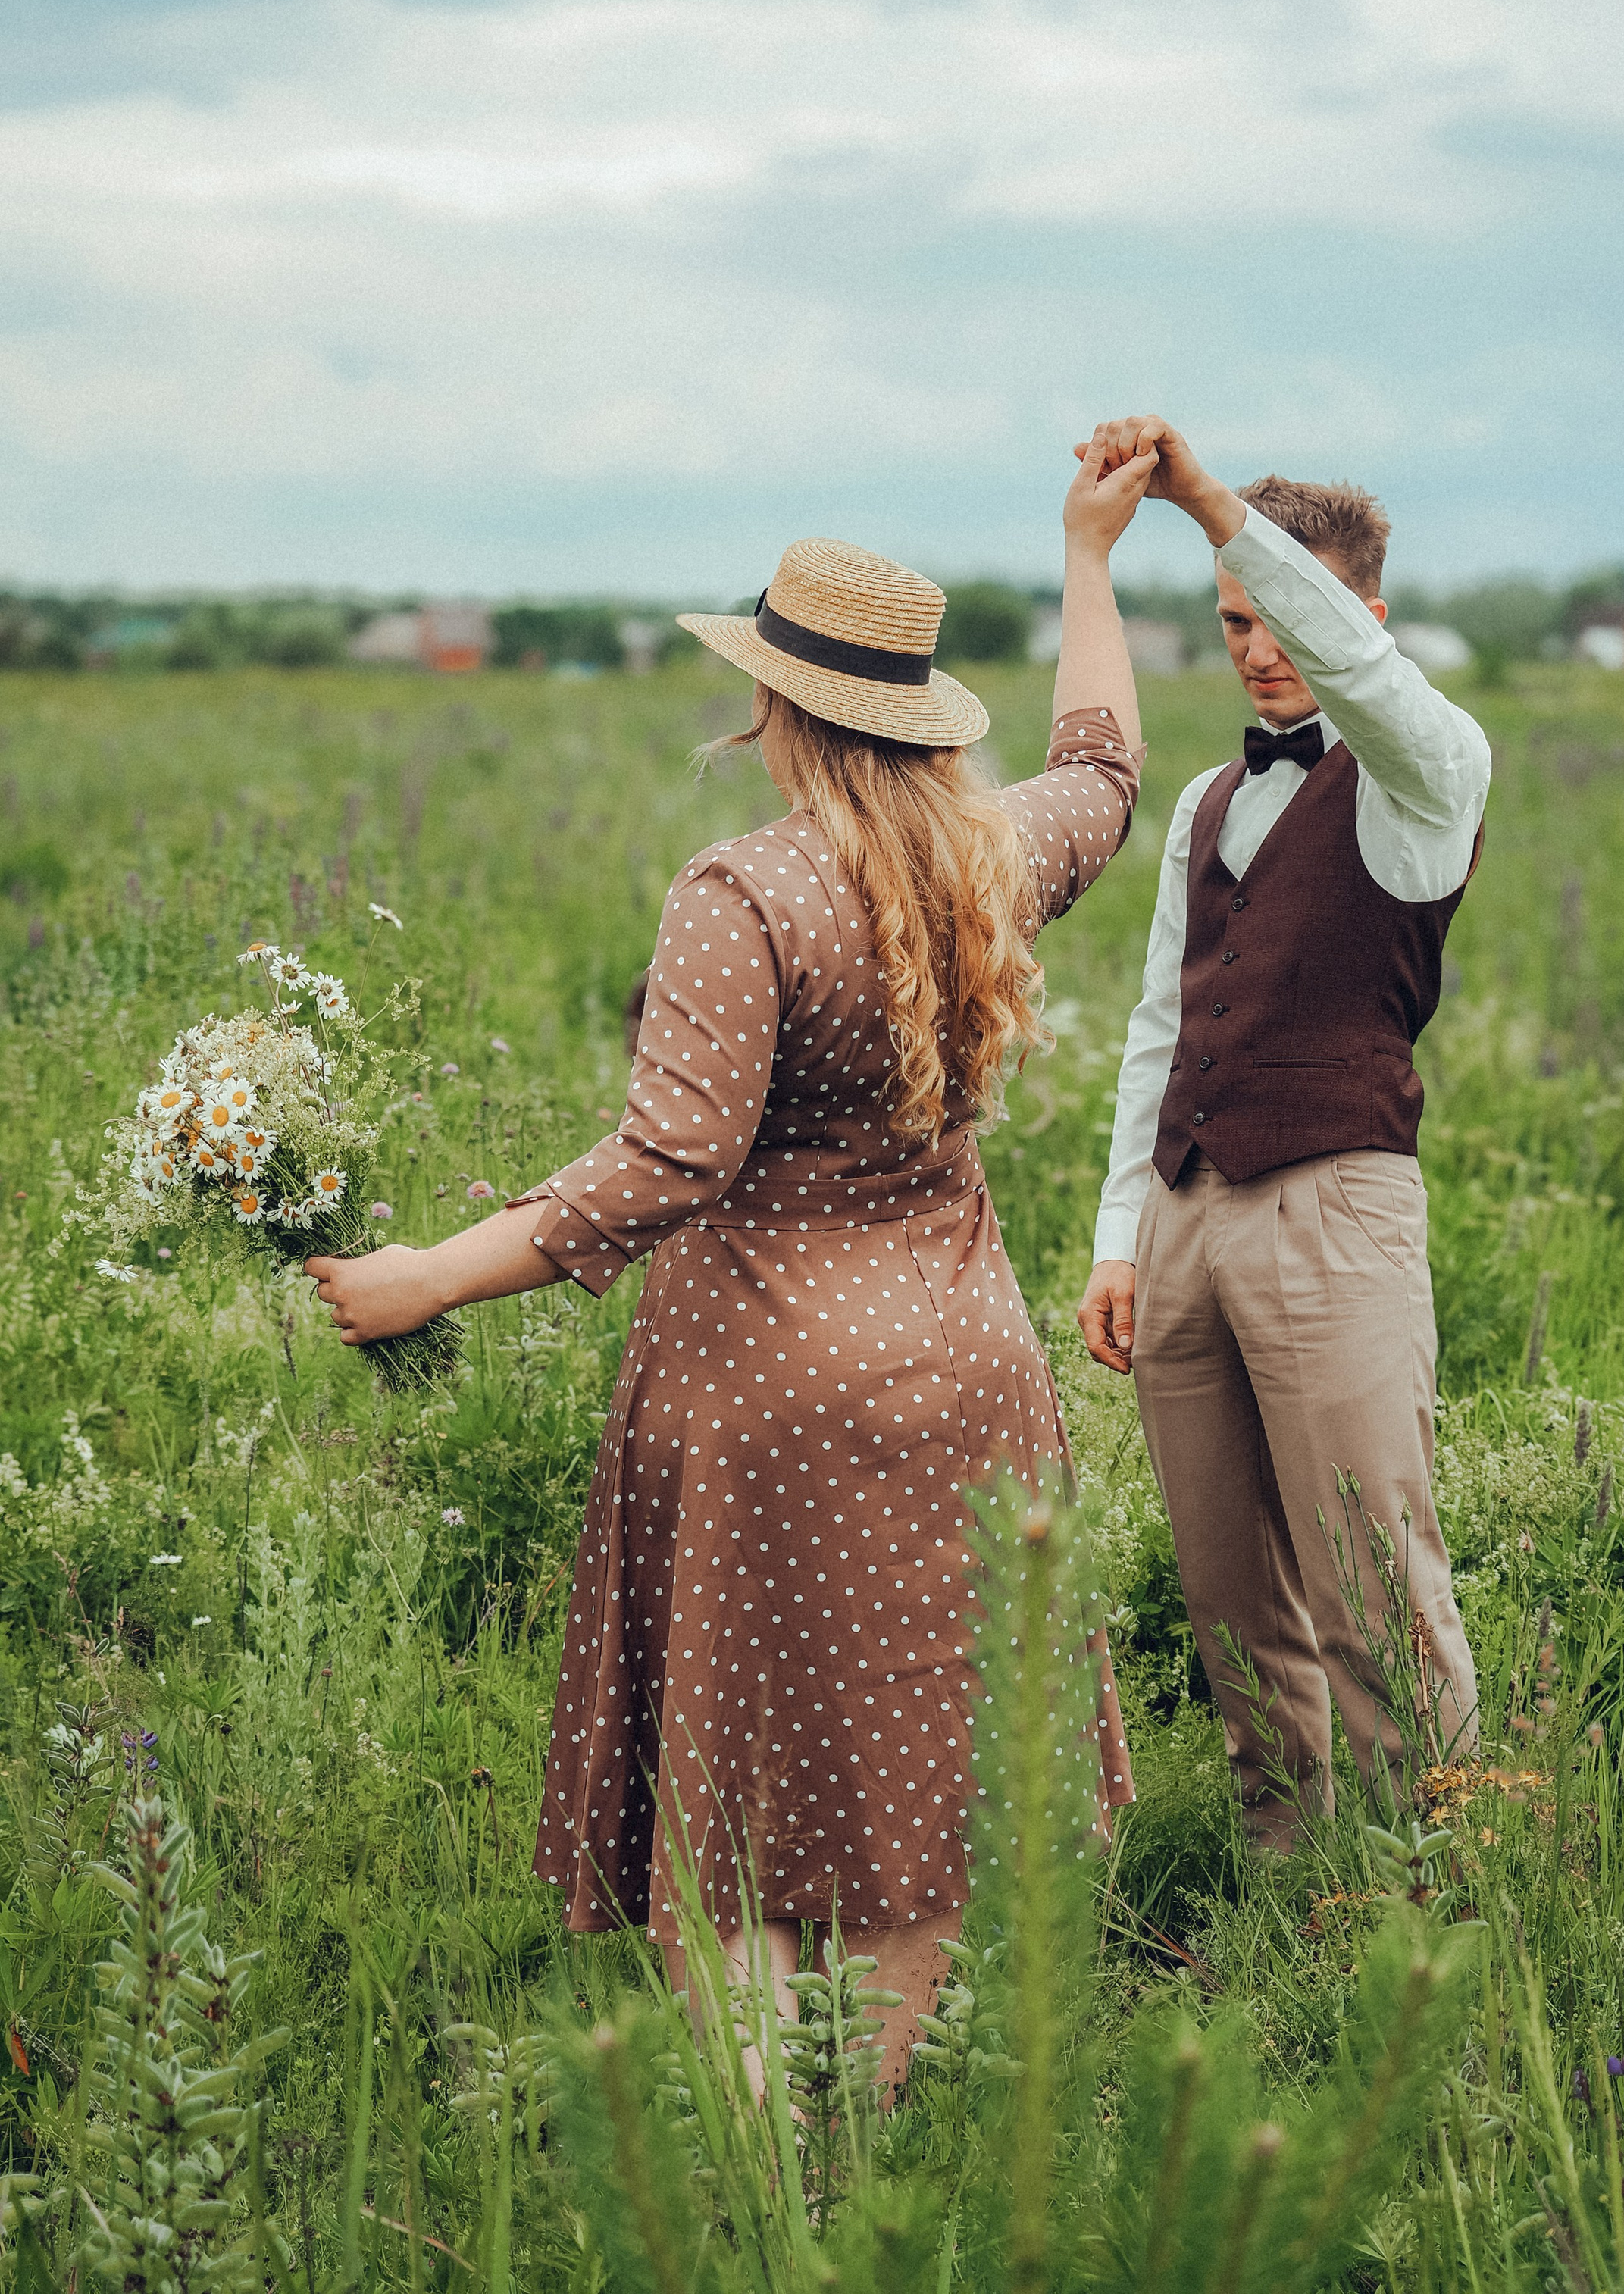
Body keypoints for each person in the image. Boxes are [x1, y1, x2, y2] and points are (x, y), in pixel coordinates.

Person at [306, 429, 1156, 2089]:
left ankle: (777, 2182)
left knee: (749, 1775)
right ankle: (867, 2138)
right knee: (916, 1773)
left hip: (764, 1395)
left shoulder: (741, 890)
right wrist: (1088, 558)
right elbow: (1108, 769)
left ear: (776, 707)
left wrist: (423, 1275)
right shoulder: (992, 856)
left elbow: (666, 1163)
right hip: (964, 1378)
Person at [1075, 412, 1488, 1845]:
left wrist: (1207, 503)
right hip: (1191, 1210)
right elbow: (1158, 1026)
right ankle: (1290, 1865)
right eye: (1233, 620)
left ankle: (1426, 1870)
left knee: (1372, 1569)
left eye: (1279, 616)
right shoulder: (1202, 798)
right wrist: (1124, 1237)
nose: (1256, 648)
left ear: (1360, 615)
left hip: (1336, 1210)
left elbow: (1367, 677)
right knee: (1229, 1586)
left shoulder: (1426, 776)